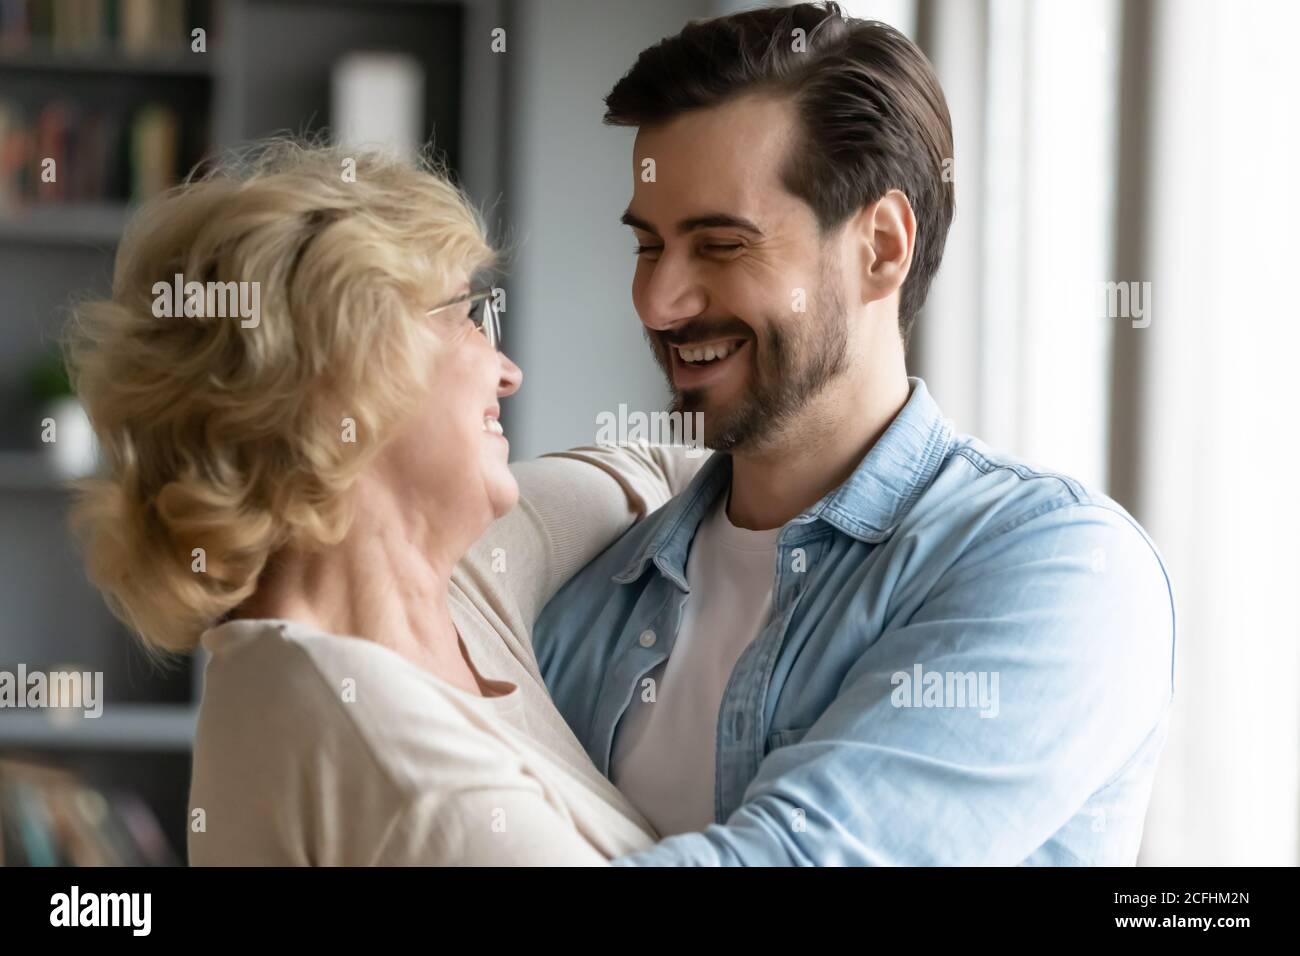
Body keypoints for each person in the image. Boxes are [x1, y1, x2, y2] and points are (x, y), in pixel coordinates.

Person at [531, 2, 1177, 865]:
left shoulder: (1060, 568)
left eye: (720, 245)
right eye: (650, 247)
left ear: (881, 247)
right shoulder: (591, 602)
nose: (658, 302)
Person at [64, 138, 704, 865]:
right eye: (467, 315)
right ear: (347, 367)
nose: (509, 371)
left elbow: (667, 467)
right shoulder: (372, 744)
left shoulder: (463, 578)